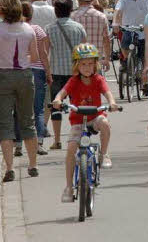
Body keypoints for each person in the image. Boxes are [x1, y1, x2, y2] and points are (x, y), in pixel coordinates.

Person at [51, 43, 120, 202]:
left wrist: (112, 102)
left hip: (95, 118)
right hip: (78, 121)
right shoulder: (74, 81)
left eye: (90, 63)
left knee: (105, 124)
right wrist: (57, 99)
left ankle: (104, 154)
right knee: (71, 150)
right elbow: (62, 93)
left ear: (95, 64)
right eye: (83, 64)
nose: (87, 67)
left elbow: (107, 92)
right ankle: (69, 187)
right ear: (77, 65)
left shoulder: (98, 79)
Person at [0, 0, 40, 182]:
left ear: (2, 9)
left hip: (2, 76)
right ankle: (32, 164)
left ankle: (9, 167)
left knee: (4, 121)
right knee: (28, 120)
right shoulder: (28, 29)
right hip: (25, 75)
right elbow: (34, 57)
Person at [45, 0, 88, 150]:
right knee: (77, 105)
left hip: (56, 71)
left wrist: (47, 71)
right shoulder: (78, 27)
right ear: (70, 11)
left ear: (56, 11)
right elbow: (84, 51)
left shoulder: (49, 28)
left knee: (55, 106)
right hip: (76, 72)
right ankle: (78, 136)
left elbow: (46, 52)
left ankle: (57, 140)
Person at [21, 2, 52, 155]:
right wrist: (48, 71)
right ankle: (39, 142)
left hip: (21, 70)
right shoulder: (38, 30)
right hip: (38, 69)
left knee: (20, 109)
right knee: (38, 109)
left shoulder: (15, 29)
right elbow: (44, 53)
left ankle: (18, 144)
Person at [112, 0, 148, 69]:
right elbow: (117, 10)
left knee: (143, 54)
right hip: (128, 27)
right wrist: (115, 23)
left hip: (143, 28)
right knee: (124, 46)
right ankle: (128, 61)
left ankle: (142, 70)